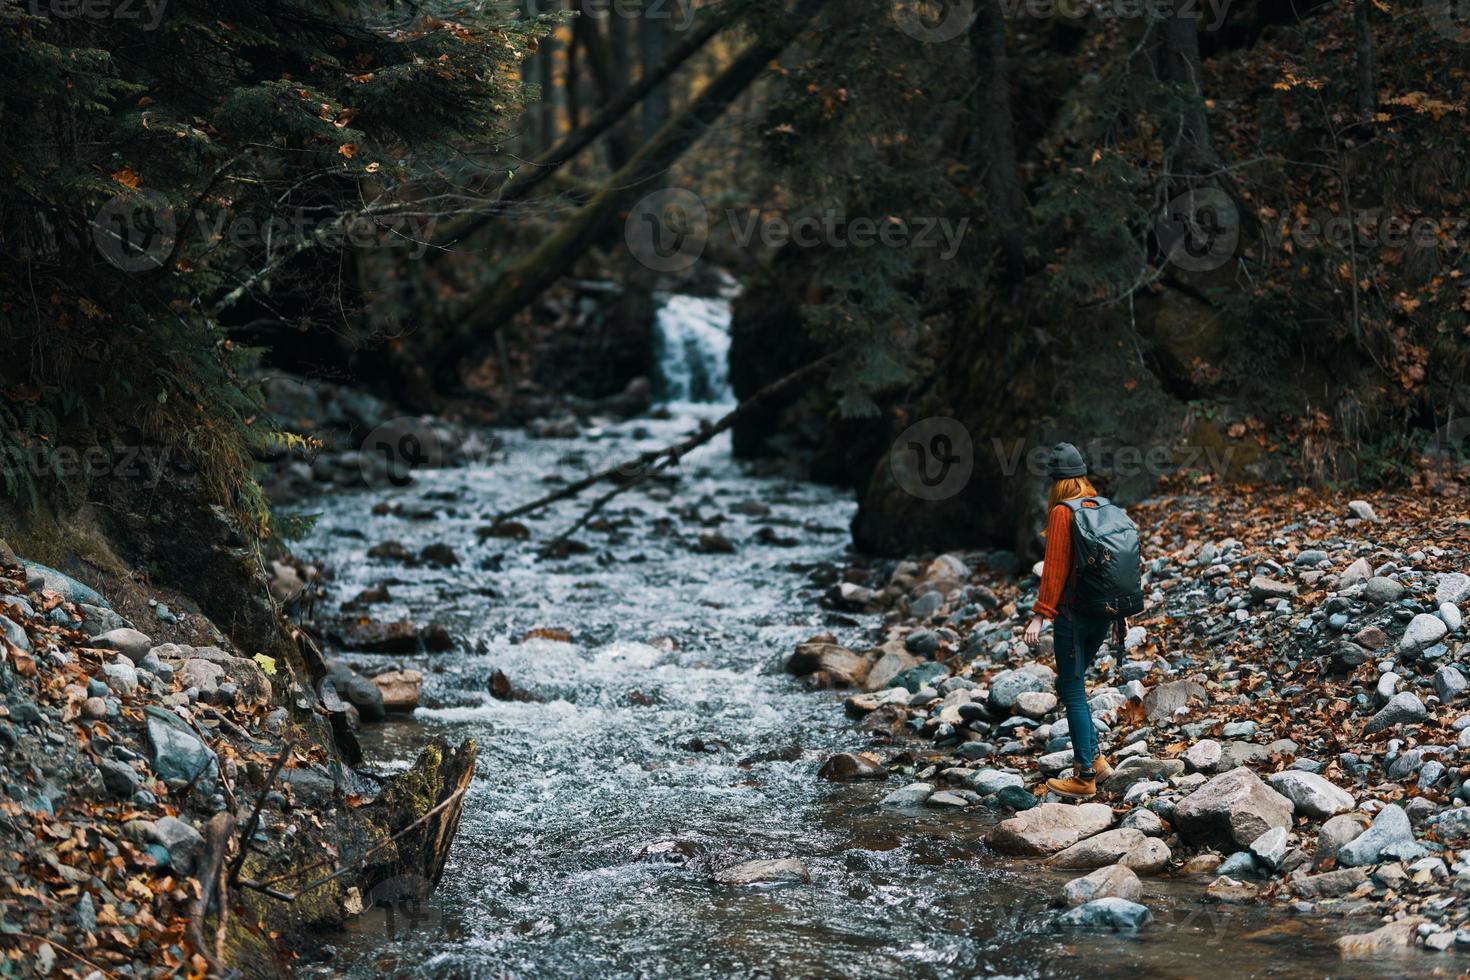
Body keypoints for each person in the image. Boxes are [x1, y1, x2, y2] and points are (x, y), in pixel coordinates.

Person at [1021, 442, 1115, 800]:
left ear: (1057, 482)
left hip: (1073, 616)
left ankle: (1084, 775)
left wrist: (1039, 617)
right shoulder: (1100, 505)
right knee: (1072, 683)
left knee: (1072, 689)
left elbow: (1055, 569)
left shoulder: (1063, 512)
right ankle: (1098, 760)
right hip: (1102, 615)